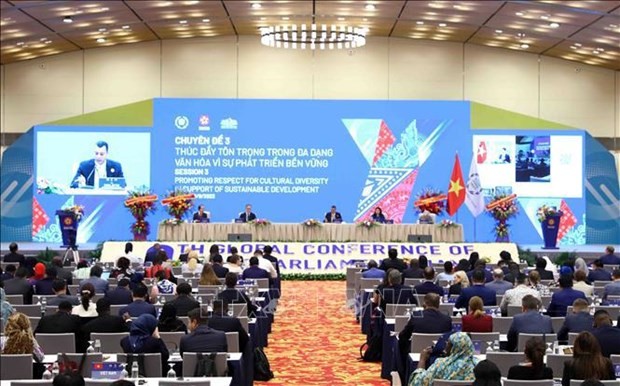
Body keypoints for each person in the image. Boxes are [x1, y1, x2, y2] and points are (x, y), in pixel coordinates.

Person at [408, 332, 478, 386]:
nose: (446, 344)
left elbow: (417, 383)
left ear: (453, 348)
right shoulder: (478, 366)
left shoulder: (441, 365)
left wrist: (422, 360)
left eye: (448, 343)